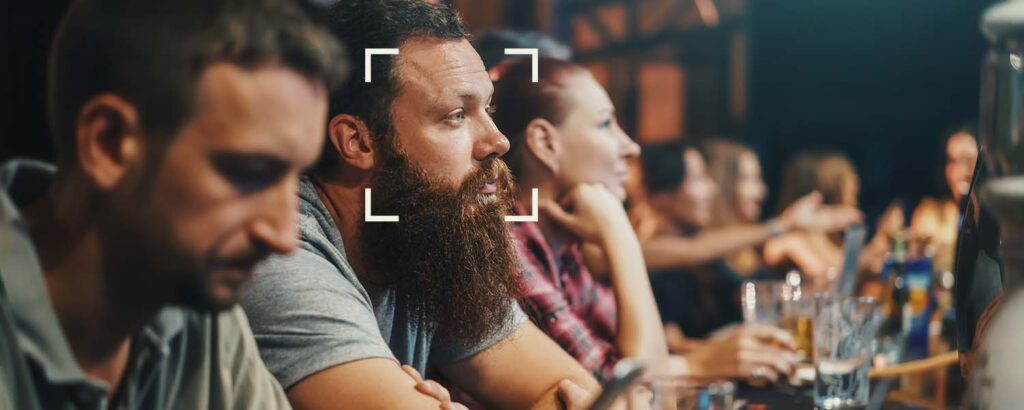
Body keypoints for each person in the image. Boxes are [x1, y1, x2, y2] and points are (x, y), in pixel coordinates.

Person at [240, 2, 599, 409]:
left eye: (489, 108)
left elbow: (580, 394)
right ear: (359, 142)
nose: (498, 141)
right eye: (456, 115)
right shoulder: (283, 252)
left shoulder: (422, 234)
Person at [0, 0, 347, 408]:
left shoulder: (193, 306)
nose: (284, 236)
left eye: (294, 179)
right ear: (108, 144)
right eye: (249, 173)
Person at [492, 57, 799, 384]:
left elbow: (635, 354)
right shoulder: (509, 244)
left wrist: (707, 353)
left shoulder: (559, 243)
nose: (631, 146)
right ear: (545, 143)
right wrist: (618, 234)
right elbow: (628, 389)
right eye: (605, 124)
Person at [635, 142, 861, 337]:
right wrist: (783, 226)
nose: (711, 188)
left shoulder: (709, 251)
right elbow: (672, 341)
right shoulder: (653, 256)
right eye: (699, 179)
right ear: (662, 196)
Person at [911, 126, 979, 274]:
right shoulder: (930, 212)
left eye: (968, 160)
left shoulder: (991, 218)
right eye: (953, 161)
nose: (961, 171)